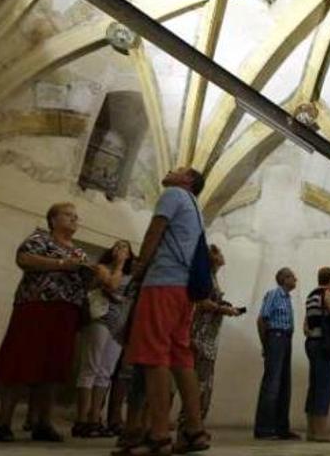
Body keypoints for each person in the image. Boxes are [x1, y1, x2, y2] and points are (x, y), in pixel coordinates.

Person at [120, 167, 212, 455]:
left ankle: (159, 435)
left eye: (179, 169)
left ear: (188, 180)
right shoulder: (194, 205)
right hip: (184, 290)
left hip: (163, 282)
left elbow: (154, 232)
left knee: (152, 355)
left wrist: (139, 267)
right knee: (180, 356)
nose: (172, 170)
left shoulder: (173, 194)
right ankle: (195, 430)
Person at [0, 202, 90, 443]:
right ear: (53, 220)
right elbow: (24, 259)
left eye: (76, 216)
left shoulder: (80, 252)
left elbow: (84, 281)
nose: (74, 219)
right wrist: (62, 264)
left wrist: (96, 276)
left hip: (66, 312)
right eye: (68, 215)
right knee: (20, 360)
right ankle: (3, 422)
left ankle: (43, 422)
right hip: (36, 306)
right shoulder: (39, 239)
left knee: (53, 367)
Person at [176, 244, 244, 432]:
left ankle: (194, 424)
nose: (222, 255)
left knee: (204, 381)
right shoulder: (204, 276)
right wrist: (222, 309)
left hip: (209, 335)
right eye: (218, 252)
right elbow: (202, 302)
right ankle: (189, 425)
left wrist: (223, 306)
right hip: (200, 333)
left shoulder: (212, 277)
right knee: (199, 381)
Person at [73, 240, 135, 438]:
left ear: (130, 254)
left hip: (118, 326)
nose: (120, 249)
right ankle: (81, 419)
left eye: (124, 247)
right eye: (117, 246)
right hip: (99, 320)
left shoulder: (131, 277)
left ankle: (94, 418)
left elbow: (128, 300)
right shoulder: (102, 268)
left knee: (105, 372)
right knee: (90, 367)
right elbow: (112, 284)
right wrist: (119, 265)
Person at [254, 267, 300, 440]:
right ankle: (264, 428)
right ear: (284, 278)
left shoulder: (287, 298)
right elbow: (262, 319)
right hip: (276, 336)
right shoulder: (274, 294)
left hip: (286, 338)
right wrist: (266, 344)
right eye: (292, 277)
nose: (295, 279)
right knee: (272, 383)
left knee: (284, 384)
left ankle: (281, 428)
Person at [303, 267, 330, 442]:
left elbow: (307, 324)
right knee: (324, 387)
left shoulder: (311, 296)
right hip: (324, 344)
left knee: (314, 386)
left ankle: (311, 430)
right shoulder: (326, 294)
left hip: (312, 343)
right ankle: (321, 432)